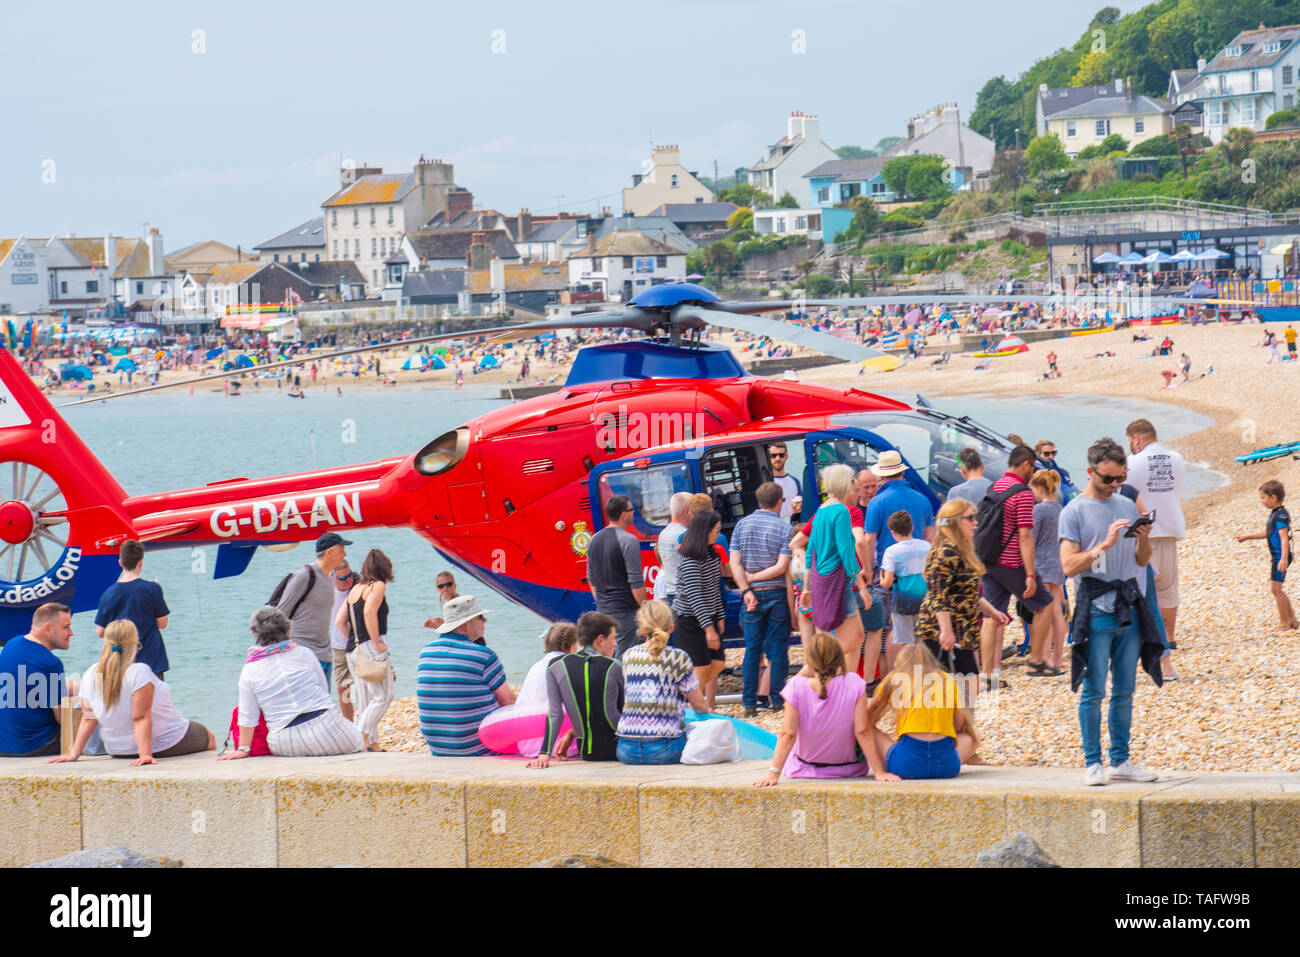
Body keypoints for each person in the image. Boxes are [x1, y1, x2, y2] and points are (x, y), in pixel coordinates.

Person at [1060, 437, 1162, 786]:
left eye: (1120, 478)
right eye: (1108, 479)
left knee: (1125, 689)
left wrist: (1144, 536)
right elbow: (1069, 566)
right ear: (1090, 472)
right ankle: (1093, 762)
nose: (1115, 485)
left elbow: (1141, 560)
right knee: (1094, 690)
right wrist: (1103, 545)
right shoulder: (1072, 511)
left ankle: (1121, 760)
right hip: (1096, 608)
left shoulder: (1125, 504)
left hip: (1128, 606)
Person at [51, 620, 214, 764]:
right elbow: (140, 716)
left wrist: (74, 753)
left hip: (117, 749)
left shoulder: (91, 673)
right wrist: (145, 754)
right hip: (166, 741)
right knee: (209, 737)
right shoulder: (138, 672)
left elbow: (89, 718)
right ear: (135, 642)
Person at [220, 606, 364, 758]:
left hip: (285, 740)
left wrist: (243, 749)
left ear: (255, 633)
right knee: (358, 742)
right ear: (287, 628)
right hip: (329, 729)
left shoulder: (250, 669)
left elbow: (247, 714)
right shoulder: (304, 653)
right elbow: (323, 691)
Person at [914, 500, 1009, 698]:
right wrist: (946, 631)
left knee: (966, 687)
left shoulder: (960, 550)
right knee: (956, 690)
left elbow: (969, 594)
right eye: (970, 518)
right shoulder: (945, 552)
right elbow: (937, 595)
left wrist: (993, 612)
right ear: (955, 522)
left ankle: (962, 726)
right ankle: (958, 727)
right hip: (942, 630)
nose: (976, 523)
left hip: (962, 629)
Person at [753, 630, 871, 785]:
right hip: (850, 768)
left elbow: (788, 734)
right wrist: (879, 770)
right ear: (838, 657)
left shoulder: (796, 686)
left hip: (804, 768)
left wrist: (773, 773)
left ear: (810, 661)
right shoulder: (854, 682)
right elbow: (862, 731)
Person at [978, 445, 1053, 687]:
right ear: (1025, 464)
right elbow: (1025, 536)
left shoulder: (995, 486)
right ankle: (1037, 661)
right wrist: (1030, 573)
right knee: (1044, 605)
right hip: (1011, 562)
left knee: (992, 616)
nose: (1033, 472)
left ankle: (988, 674)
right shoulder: (1022, 494)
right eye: (1033, 467)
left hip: (988, 559)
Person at [862, 450, 935, 682]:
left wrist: (868, 569)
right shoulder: (922, 499)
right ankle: (922, 674)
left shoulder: (877, 502)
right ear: (902, 472)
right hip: (919, 572)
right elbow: (930, 538)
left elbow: (868, 540)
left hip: (889, 571)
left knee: (891, 629)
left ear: (882, 476)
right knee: (921, 626)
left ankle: (896, 677)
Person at [861, 643, 982, 780]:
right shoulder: (946, 679)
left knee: (866, 728)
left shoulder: (895, 678)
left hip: (906, 766)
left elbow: (867, 717)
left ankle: (878, 765)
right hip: (946, 767)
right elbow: (959, 725)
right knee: (974, 733)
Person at [417, 595, 515, 756]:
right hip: (477, 747)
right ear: (465, 625)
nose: (485, 621)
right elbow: (508, 701)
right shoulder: (484, 655)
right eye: (480, 618)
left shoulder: (426, 652)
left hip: (438, 748)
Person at [614, 600, 710, 765]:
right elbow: (699, 705)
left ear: (643, 630)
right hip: (664, 748)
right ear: (671, 628)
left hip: (626, 748)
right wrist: (710, 712)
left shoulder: (628, 656)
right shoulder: (678, 657)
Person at [526, 611, 624, 768]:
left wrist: (544, 753)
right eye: (613, 638)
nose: (615, 644)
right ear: (600, 639)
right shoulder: (615, 667)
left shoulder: (556, 666)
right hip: (619, 750)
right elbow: (618, 714)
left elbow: (555, 714)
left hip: (586, 752)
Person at [729, 482, 793, 718]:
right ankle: (777, 700)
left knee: (752, 650)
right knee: (777, 649)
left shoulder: (741, 525)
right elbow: (781, 566)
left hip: (750, 596)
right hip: (775, 592)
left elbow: (734, 562)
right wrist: (757, 577)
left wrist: (746, 588)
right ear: (779, 502)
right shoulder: (784, 528)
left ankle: (749, 704)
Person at [1126, 419, 1185, 653]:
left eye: (1130, 441)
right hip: (1169, 527)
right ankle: (1169, 637)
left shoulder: (1132, 462)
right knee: (1168, 588)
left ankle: (1144, 635)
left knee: (1142, 587)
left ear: (1136, 438)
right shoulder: (1177, 459)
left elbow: (1125, 496)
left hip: (1143, 532)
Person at [808, 464, 872, 676]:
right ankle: (812, 672)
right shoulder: (841, 511)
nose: (858, 491)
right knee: (850, 640)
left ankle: (848, 685)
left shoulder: (822, 509)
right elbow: (847, 552)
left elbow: (811, 549)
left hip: (823, 580)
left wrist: (807, 585)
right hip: (838, 582)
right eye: (855, 486)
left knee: (858, 636)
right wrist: (862, 586)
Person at [337, 548, 396, 751]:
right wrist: (375, 642)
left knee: (365, 699)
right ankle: (361, 739)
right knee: (384, 696)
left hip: (352, 650)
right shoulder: (376, 585)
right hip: (370, 646)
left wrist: (356, 642)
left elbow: (340, 622)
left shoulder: (355, 588)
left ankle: (372, 744)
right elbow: (369, 611)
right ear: (384, 568)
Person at [275, 532, 351, 682]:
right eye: (342, 550)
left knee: (323, 702)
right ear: (330, 552)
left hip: (325, 654)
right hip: (302, 655)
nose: (345, 554)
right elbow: (280, 614)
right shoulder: (304, 575)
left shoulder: (333, 576)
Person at [0, 603, 72, 758]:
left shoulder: (11, 645)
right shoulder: (50, 663)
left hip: (4, 744)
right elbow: (62, 718)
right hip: (35, 744)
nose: (71, 633)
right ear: (47, 629)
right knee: (90, 719)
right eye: (66, 627)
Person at [672, 510, 728, 706]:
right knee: (701, 666)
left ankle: (689, 701)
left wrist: (719, 616)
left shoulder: (711, 555)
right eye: (716, 529)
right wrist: (709, 629)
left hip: (707, 618)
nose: (718, 533)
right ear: (705, 531)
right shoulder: (690, 560)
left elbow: (715, 589)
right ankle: (691, 704)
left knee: (718, 663)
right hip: (689, 620)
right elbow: (695, 598)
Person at [94, 540, 170, 679]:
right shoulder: (152, 589)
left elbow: (100, 632)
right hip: (150, 662)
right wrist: (157, 592)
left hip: (120, 663)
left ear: (120, 563)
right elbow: (162, 624)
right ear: (140, 562)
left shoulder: (108, 594)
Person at [586, 495, 648, 659]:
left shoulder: (594, 540)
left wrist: (603, 601)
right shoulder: (629, 541)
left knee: (606, 655)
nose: (634, 513)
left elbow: (591, 579)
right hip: (626, 611)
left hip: (603, 610)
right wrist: (645, 609)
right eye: (631, 510)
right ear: (624, 515)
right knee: (626, 658)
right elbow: (636, 583)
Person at [1235, 480, 1298, 630]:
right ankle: (1293, 620)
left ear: (1274, 497)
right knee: (1278, 590)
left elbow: (1284, 538)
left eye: (1263, 498)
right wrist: (1248, 536)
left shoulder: (1280, 515)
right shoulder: (1275, 514)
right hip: (1278, 556)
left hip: (1279, 556)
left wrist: (1283, 559)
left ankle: (1284, 624)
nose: (1261, 501)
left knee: (1276, 590)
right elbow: (1269, 533)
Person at [879, 510, 929, 673]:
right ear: (912, 526)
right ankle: (924, 672)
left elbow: (886, 583)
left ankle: (910, 674)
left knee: (906, 641)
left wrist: (880, 579)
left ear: (892, 532)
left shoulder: (892, 551)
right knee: (921, 638)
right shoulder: (926, 546)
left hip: (902, 602)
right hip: (924, 598)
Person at [1030, 470, 1068, 672]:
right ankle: (1058, 657)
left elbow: (1031, 539)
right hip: (1056, 561)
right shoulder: (1060, 509)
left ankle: (1044, 657)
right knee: (1056, 611)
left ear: (1040, 488)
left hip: (1041, 565)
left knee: (1043, 612)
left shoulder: (1039, 510)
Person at [517, 622, 578, 705]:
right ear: (571, 647)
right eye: (576, 646)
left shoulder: (536, 667)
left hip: (528, 714)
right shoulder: (568, 668)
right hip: (549, 715)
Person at [329, 561, 357, 720]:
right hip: (339, 646)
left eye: (349, 575)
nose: (348, 580)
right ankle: (349, 724)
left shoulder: (357, 588)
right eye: (343, 578)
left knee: (364, 686)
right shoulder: (328, 595)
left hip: (359, 643)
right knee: (343, 688)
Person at [653, 492, 692, 603]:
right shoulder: (685, 535)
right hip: (687, 597)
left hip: (671, 595)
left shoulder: (663, 534)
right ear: (687, 511)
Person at [768, 442, 802, 520]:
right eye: (773, 455)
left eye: (781, 455)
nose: (778, 458)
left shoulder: (795, 481)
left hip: (792, 526)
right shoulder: (766, 483)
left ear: (786, 457)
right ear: (768, 457)